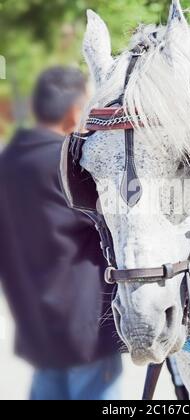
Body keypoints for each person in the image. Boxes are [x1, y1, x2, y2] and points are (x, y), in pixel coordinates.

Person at [0, 67, 122, 400]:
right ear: (73, 110)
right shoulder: (70, 163)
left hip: (35, 326)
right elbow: (115, 221)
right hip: (85, 328)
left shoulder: (8, 161)